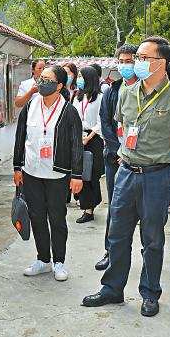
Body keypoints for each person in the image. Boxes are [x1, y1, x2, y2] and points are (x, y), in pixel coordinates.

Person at [82, 36, 170, 317]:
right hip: (126, 173)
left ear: (161, 63)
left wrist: (160, 160)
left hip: (157, 176)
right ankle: (112, 289)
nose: (137, 63)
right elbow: (122, 127)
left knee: (152, 239)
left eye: (144, 58)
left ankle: (150, 292)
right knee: (117, 234)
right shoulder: (125, 93)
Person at [13, 65, 84, 282]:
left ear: (59, 85)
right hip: (32, 171)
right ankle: (43, 259)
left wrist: (77, 175)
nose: (42, 83)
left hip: (57, 174)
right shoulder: (31, 105)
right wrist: (17, 167)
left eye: (47, 79)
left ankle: (59, 261)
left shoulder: (69, 111)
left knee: (57, 217)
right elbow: (20, 136)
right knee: (37, 216)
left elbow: (75, 145)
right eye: (41, 78)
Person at [95, 44, 139, 271]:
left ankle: (145, 252)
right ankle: (109, 251)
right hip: (115, 158)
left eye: (130, 60)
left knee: (145, 211)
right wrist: (118, 151)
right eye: (122, 61)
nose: (125, 65)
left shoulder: (146, 90)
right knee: (114, 206)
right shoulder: (112, 91)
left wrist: (131, 153)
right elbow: (105, 122)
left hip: (141, 160)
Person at [74, 66, 104, 223]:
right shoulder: (78, 97)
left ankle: (89, 209)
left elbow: (101, 122)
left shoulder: (99, 98)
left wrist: (89, 137)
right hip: (79, 138)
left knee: (92, 174)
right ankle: (87, 205)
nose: (78, 79)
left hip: (94, 139)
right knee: (81, 173)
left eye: (81, 76)